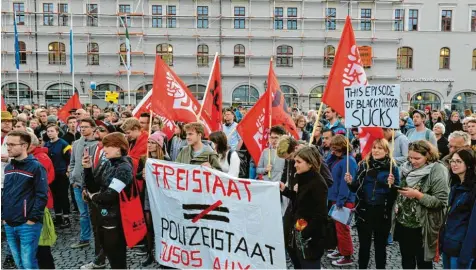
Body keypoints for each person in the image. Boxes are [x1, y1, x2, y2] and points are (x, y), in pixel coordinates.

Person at [393, 140, 450, 269]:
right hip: (404, 223)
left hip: (423, 226)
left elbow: (441, 201)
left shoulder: (438, 170)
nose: (412, 161)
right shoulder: (406, 167)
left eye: (417, 158)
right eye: (410, 157)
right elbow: (400, 190)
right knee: (407, 261)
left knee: (423, 263)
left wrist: (418, 195)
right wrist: (394, 182)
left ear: (428, 155)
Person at [344, 139, 400, 269]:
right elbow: (356, 188)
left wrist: (392, 185)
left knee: (380, 247)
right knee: (364, 246)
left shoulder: (392, 168)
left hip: (382, 212)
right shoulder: (364, 165)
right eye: (374, 147)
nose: (376, 150)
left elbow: (395, 193)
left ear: (386, 151)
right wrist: (350, 182)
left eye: (380, 148)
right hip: (364, 211)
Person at [82, 132, 133, 269]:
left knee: (117, 260)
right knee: (111, 255)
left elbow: (110, 195)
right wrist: (87, 169)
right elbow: (94, 186)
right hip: (104, 216)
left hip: (116, 220)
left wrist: (92, 197)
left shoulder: (124, 167)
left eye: (107, 146)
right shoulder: (109, 163)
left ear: (118, 148)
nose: (104, 149)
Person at [2, 131, 48, 269]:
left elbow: (42, 195)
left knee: (28, 264)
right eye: (7, 144)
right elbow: (6, 193)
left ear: (24, 146)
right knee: (19, 263)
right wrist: (4, 216)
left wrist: (32, 219)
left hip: (27, 224)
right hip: (10, 223)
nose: (8, 148)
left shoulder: (36, 167)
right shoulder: (9, 167)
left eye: (11, 144)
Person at [279, 146, 328, 269]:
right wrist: (285, 191)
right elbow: (300, 202)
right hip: (296, 235)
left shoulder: (318, 183)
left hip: (309, 241)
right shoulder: (302, 178)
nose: (295, 165)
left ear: (310, 163)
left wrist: (304, 234)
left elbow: (320, 215)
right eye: (295, 161)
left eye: (299, 162)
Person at [80, 121, 115, 270]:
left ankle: (102, 259)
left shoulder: (113, 153)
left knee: (106, 229)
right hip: (92, 195)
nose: (97, 132)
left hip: (105, 197)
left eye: (102, 129)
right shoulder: (94, 148)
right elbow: (88, 169)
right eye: (97, 129)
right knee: (96, 228)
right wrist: (85, 188)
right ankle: (98, 258)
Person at [440, 149, 476, 269]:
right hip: (449, 244)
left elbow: (473, 225)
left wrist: (466, 255)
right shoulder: (455, 186)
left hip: (462, 248)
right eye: (452, 161)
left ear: (469, 165)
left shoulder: (473, 190)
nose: (454, 164)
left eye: (458, 161)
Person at [135, 132, 167, 267]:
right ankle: (150, 253)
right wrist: (141, 175)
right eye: (148, 142)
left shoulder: (166, 159)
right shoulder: (144, 159)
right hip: (148, 195)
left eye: (152, 142)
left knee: (162, 226)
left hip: (161, 197)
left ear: (159, 145)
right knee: (149, 226)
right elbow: (136, 175)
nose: (149, 145)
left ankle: (164, 254)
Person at [326, 135, 357, 266]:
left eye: (336, 149)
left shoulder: (349, 161)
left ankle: (347, 255)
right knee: (337, 228)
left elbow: (346, 184)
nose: (333, 151)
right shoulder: (339, 159)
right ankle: (341, 249)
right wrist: (332, 156)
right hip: (336, 198)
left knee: (343, 228)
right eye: (332, 149)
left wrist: (341, 200)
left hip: (343, 200)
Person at [28, 133, 56, 269]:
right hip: (31, 203)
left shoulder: (40, 158)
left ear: (31, 145)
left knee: (41, 245)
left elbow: (45, 181)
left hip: (38, 204)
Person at [69, 118, 98, 248]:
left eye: (86, 126)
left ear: (93, 128)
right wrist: (72, 179)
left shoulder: (98, 144)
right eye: (82, 127)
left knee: (95, 213)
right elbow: (72, 162)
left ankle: (99, 239)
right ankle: (84, 238)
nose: (83, 129)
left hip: (92, 185)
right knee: (83, 213)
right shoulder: (76, 144)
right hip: (77, 184)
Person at [44, 124, 72, 228]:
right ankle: (58, 217)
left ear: (57, 132)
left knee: (63, 196)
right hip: (51, 175)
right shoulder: (46, 145)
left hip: (61, 174)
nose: (50, 133)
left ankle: (66, 218)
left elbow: (70, 159)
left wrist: (68, 171)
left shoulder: (64, 144)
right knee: (55, 196)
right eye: (48, 131)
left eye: (52, 131)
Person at [121, 118, 148, 190]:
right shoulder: (132, 140)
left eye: (128, 133)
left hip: (141, 181)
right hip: (133, 179)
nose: (127, 135)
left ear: (136, 129)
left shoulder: (147, 141)